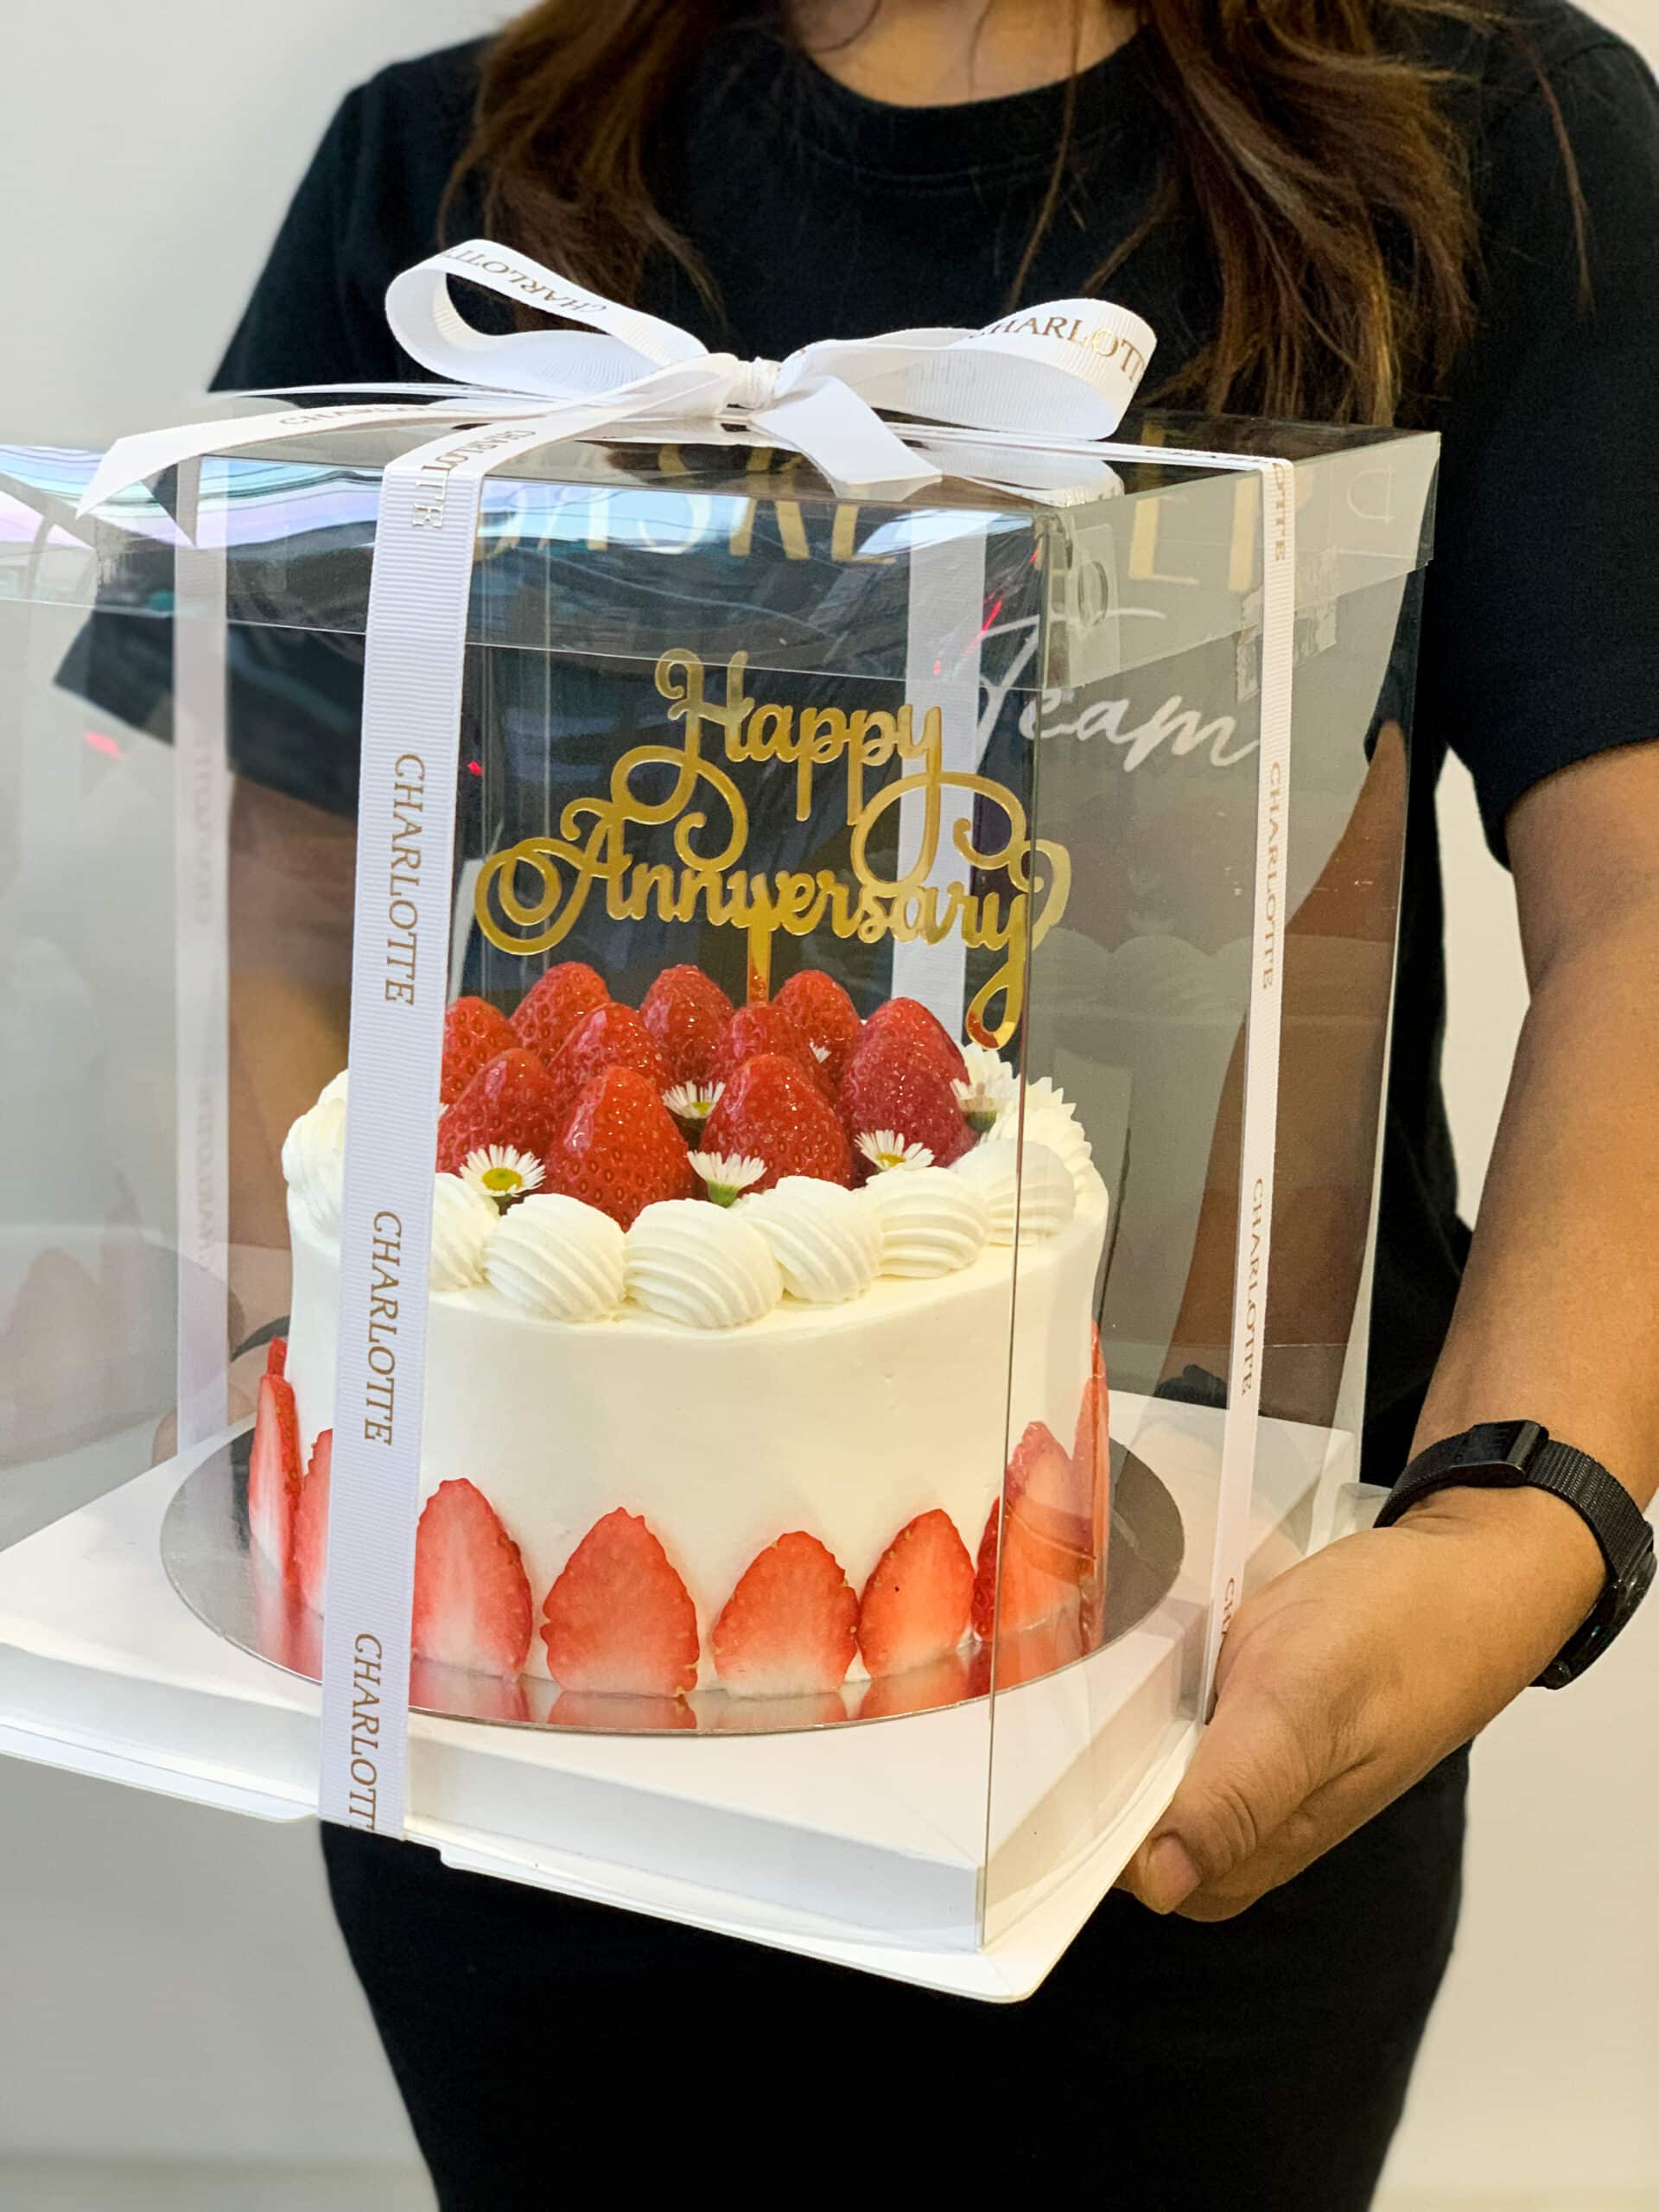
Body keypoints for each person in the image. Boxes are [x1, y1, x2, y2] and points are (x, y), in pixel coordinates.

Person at [209, 2, 1659, 2205]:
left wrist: (1517, 1519)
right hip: (504, 1712)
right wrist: (311, 1450)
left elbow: (1641, 904)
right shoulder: (446, 180)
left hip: (1209, 1668)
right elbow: (301, 894)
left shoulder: (1504, 131)